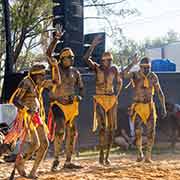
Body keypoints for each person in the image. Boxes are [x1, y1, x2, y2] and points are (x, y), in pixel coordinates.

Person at [4, 63, 60, 178]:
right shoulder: (26, 82)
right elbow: (15, 100)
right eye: (42, 75)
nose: (44, 78)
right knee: (40, 144)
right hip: (27, 116)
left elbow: (56, 82)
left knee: (40, 144)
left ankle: (26, 166)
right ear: (35, 75)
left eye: (44, 75)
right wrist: (27, 110)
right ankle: (27, 167)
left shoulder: (38, 84)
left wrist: (55, 66)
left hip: (35, 116)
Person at [46, 28, 84, 171]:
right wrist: (56, 39)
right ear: (62, 59)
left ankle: (68, 161)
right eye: (69, 57)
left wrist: (79, 96)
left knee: (72, 132)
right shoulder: (56, 68)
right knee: (60, 130)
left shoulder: (75, 72)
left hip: (71, 106)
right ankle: (56, 159)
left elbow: (81, 88)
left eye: (72, 57)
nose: (71, 59)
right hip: (58, 104)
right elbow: (48, 54)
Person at [83, 36, 122, 165]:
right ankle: (101, 154)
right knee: (102, 128)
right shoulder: (97, 68)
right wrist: (92, 46)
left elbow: (119, 82)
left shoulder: (114, 69)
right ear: (102, 61)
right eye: (107, 60)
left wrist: (117, 93)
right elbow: (85, 59)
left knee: (111, 129)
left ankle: (107, 156)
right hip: (100, 99)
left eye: (110, 60)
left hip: (111, 99)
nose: (109, 62)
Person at [123, 55, 167, 163]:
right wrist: (132, 63)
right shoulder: (135, 75)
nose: (146, 69)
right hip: (138, 106)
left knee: (151, 131)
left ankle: (148, 156)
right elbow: (124, 75)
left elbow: (159, 92)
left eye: (148, 67)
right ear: (140, 67)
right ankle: (139, 153)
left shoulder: (153, 77)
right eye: (144, 67)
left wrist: (163, 107)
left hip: (149, 106)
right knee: (138, 131)